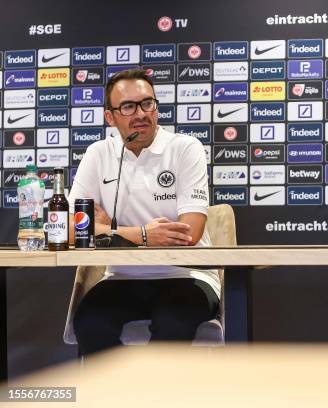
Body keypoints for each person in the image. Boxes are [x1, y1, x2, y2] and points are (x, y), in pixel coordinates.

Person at [68, 69, 219, 355]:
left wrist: (106, 231)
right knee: (90, 322)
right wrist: (142, 234)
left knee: (173, 322)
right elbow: (71, 229)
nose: (140, 113)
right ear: (110, 117)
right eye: (128, 106)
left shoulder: (186, 148)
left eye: (147, 103)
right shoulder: (98, 154)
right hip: (122, 277)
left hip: (188, 277)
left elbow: (189, 233)